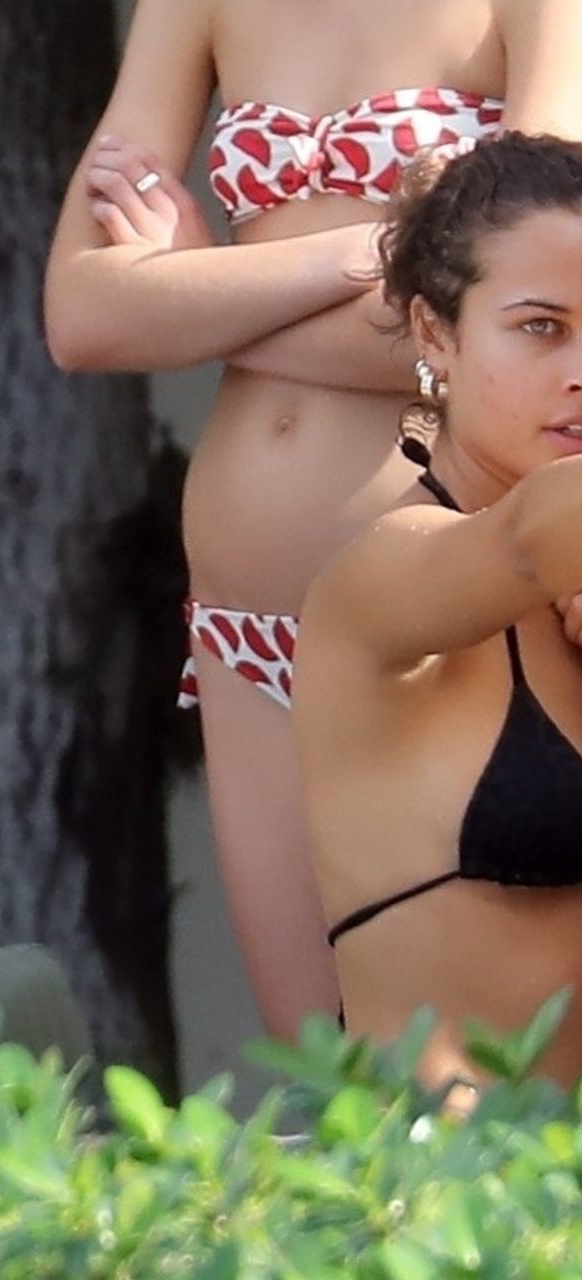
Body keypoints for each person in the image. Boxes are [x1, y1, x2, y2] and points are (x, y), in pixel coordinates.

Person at [43, 0, 582, 1037]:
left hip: (460, 607)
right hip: (245, 615)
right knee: (326, 1072)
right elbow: (82, 315)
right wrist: (368, 256)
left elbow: (518, 315)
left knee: (492, 1055)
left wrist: (190, 298)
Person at [297, 132, 582, 1087]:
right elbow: (529, 538)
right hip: (449, 1170)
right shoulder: (385, 580)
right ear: (435, 334)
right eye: (541, 327)